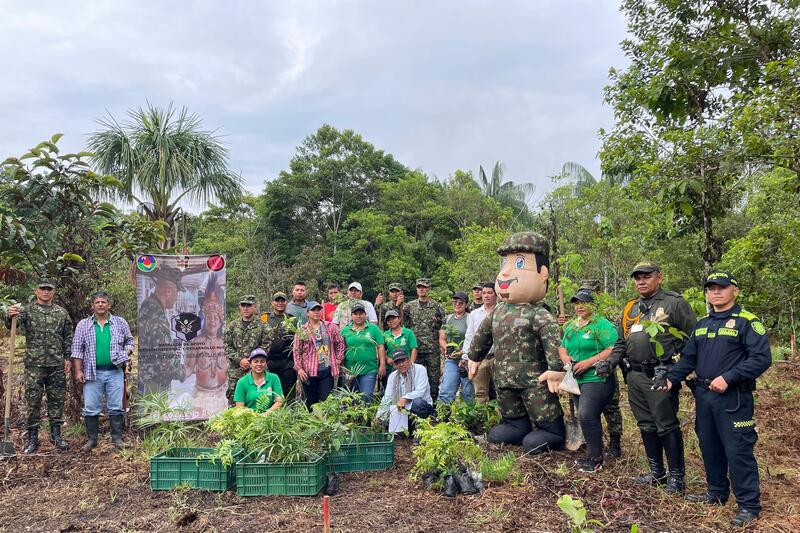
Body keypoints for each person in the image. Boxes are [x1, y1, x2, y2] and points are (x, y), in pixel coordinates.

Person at [659, 271, 771, 527]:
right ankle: (717, 493)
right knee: (709, 445)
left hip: (733, 398)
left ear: (735, 290)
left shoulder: (747, 322)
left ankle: (748, 505)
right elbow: (688, 359)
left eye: (721, 287)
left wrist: (729, 377)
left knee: (738, 450)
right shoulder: (702, 324)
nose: (716, 292)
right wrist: (671, 378)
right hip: (705, 395)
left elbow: (761, 359)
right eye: (711, 288)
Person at [467, 232, 566, 454]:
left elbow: (553, 342)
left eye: (518, 262)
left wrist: (556, 370)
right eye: (506, 262)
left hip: (534, 380)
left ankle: (552, 431)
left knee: (544, 415)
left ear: (542, 274)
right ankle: (517, 426)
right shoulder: (498, 311)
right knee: (506, 423)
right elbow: (483, 335)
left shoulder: (539, 314)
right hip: (504, 378)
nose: (505, 272)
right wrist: (474, 356)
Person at [607, 261, 697, 494]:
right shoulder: (631, 308)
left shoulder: (674, 303)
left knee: (666, 424)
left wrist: (676, 368)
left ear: (659, 277)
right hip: (635, 375)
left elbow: (693, 340)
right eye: (637, 278)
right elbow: (621, 343)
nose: (641, 281)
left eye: (646, 276)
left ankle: (677, 478)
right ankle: (657, 473)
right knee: (646, 424)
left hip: (661, 374)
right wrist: (609, 362)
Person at [5, 278, 73, 453]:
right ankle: (33, 438)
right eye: (42, 289)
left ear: (53, 292)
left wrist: (67, 358)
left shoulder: (61, 313)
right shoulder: (27, 311)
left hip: (56, 364)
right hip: (34, 365)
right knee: (33, 402)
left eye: (49, 289)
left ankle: (56, 435)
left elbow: (67, 336)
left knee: (57, 400)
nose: (46, 292)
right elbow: (12, 324)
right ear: (36, 291)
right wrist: (9, 314)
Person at [557, 279, 623, 458]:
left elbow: (613, 349)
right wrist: (565, 358)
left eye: (584, 303)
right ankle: (595, 445)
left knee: (608, 408)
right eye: (577, 303)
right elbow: (563, 346)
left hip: (599, 374)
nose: (579, 306)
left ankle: (614, 444)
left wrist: (589, 362)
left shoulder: (602, 323)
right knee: (585, 414)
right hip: (577, 378)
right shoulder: (571, 325)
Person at [71, 290, 134, 450]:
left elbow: (129, 341)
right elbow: (77, 349)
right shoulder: (83, 325)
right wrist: (78, 370)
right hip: (92, 373)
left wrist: (125, 353)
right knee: (91, 407)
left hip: (115, 371)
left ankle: (117, 438)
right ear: (92, 306)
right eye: (97, 302)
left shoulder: (120, 322)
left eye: (103, 302)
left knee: (115, 406)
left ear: (108, 305)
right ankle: (92, 440)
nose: (100, 305)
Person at [184, 274, 227, 418]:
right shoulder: (197, 342)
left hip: (223, 394)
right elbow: (189, 368)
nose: (212, 321)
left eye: (216, 318)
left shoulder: (226, 341)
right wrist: (176, 371)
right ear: (205, 319)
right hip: (201, 395)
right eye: (209, 317)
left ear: (221, 321)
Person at [137, 266, 183, 395]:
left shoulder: (149, 308)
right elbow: (165, 355)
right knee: (155, 414)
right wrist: (184, 371)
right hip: (154, 380)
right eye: (176, 293)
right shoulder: (155, 314)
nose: (176, 298)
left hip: (150, 378)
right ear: (168, 291)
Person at [222, 295, 273, 405]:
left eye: (249, 305)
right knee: (234, 398)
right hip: (236, 369)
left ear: (255, 307)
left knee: (258, 398)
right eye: (243, 305)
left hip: (256, 369)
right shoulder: (232, 326)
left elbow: (266, 346)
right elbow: (227, 345)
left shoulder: (264, 327)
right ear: (240, 307)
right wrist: (239, 360)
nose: (245, 308)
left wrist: (251, 361)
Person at [293, 302, 345, 408]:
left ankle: (323, 423)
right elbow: (296, 350)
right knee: (311, 403)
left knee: (325, 401)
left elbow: (340, 342)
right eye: (313, 310)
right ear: (308, 313)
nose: (316, 312)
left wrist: (338, 359)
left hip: (326, 370)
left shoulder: (330, 327)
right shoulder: (302, 330)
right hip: (309, 372)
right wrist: (300, 369)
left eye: (318, 309)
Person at [404, 278, 445, 401]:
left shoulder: (437, 307)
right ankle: (417, 406)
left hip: (432, 349)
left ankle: (434, 407)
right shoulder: (409, 306)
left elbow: (443, 327)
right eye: (419, 287)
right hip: (415, 349)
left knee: (434, 381)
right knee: (416, 380)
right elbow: (400, 322)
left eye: (424, 287)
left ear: (429, 289)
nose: (421, 289)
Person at [341, 303, 386, 402]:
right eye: (355, 313)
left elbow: (380, 346)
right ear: (351, 316)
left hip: (369, 369)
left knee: (366, 395)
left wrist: (382, 364)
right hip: (350, 370)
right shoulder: (345, 330)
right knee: (351, 398)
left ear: (365, 315)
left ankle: (366, 417)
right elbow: (341, 349)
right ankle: (354, 418)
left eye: (361, 313)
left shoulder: (374, 329)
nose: (358, 316)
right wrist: (342, 366)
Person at [377, 349, 435, 424]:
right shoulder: (393, 376)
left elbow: (420, 392)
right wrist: (379, 416)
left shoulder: (420, 369)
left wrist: (405, 398)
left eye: (403, 361)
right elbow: (387, 397)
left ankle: (424, 424)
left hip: (422, 407)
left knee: (417, 403)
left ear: (408, 359)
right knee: (386, 418)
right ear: (395, 364)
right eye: (398, 362)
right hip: (402, 409)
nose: (401, 364)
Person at [463, 282, 498, 403]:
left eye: (490, 293)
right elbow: (470, 336)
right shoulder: (474, 314)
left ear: (496, 295)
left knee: (500, 391)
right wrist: (466, 356)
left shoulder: (502, 312)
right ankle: (483, 420)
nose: (486, 296)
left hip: (498, 357)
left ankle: (502, 419)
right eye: (484, 293)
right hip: (479, 359)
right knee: (480, 392)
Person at [437, 291, 474, 404]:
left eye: (460, 302)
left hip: (467, 359)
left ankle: (468, 418)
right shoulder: (447, 319)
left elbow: (474, 338)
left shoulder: (470, 318)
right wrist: (447, 348)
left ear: (466, 304)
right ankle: (442, 415)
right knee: (446, 389)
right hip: (451, 359)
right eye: (455, 302)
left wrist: (463, 353)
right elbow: (442, 338)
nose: (457, 304)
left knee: (468, 391)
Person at [265, 292, 298, 399]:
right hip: (269, 361)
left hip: (287, 361)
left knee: (289, 391)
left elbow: (299, 339)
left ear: (286, 302)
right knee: (270, 391)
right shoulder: (265, 318)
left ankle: (289, 413)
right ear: (272, 303)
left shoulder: (293, 319)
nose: (280, 303)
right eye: (277, 300)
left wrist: (291, 338)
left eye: (282, 300)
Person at [233, 348, 284, 413]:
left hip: (270, 418)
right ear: (250, 364)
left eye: (262, 361)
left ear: (266, 364)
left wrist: (266, 414)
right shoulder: (242, 382)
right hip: (249, 419)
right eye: (255, 361)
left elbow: (280, 400)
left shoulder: (274, 378)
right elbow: (239, 407)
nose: (259, 364)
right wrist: (254, 417)